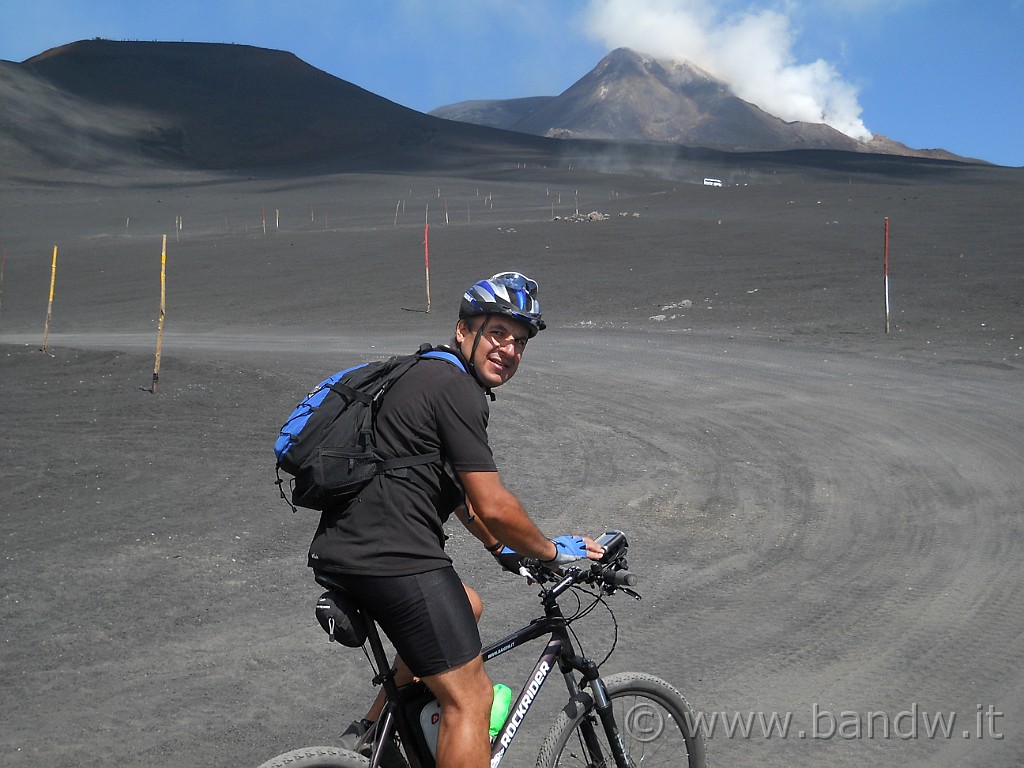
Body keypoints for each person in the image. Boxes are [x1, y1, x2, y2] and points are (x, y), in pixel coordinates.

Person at [307, 271, 603, 768]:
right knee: (471, 700)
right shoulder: (455, 388)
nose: (509, 349)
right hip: (395, 558)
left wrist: (502, 549)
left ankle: (373, 730)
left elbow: (458, 496)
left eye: (520, 342)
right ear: (463, 331)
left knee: (467, 604)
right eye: (498, 334)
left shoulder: (420, 373)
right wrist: (551, 551)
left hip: (342, 550)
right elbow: (492, 504)